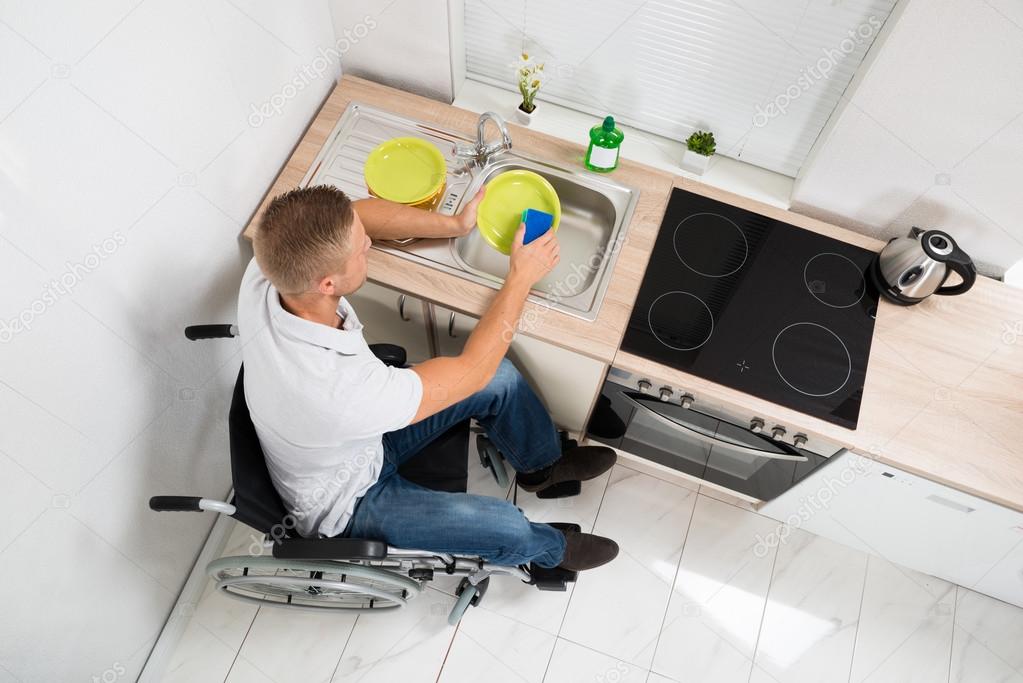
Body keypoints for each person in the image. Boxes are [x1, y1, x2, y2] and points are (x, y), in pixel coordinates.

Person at [237, 184, 619, 571]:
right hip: (350, 499)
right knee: (507, 526)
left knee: (500, 380)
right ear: (328, 284)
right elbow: (473, 370)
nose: (368, 242)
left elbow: (359, 215)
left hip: (355, 438)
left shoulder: (271, 266)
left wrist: (455, 223)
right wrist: (522, 277)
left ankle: (542, 468)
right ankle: (551, 551)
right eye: (359, 248)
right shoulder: (339, 391)